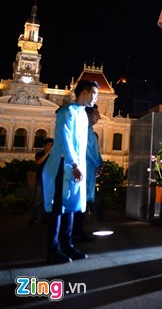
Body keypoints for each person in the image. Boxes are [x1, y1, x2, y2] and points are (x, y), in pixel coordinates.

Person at [42, 79, 99, 263]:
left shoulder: (82, 114)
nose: (95, 98)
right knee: (58, 207)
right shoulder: (66, 112)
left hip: (75, 168)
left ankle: (67, 244)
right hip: (62, 165)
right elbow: (65, 139)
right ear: (85, 92)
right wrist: (74, 165)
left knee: (72, 207)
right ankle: (53, 249)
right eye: (95, 93)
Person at [73, 105, 104, 243]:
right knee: (80, 202)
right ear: (89, 115)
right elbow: (87, 152)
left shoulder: (90, 132)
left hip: (89, 171)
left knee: (84, 201)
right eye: (96, 113)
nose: (99, 117)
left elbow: (96, 151)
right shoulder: (83, 131)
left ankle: (78, 231)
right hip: (84, 170)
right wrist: (98, 163)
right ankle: (76, 232)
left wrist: (100, 162)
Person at [28, 138, 53, 225]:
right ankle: (33, 218)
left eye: (51, 145)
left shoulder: (53, 156)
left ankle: (44, 218)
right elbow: (38, 162)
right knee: (36, 200)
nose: (50, 147)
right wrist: (47, 154)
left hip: (49, 181)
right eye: (48, 145)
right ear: (44, 146)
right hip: (40, 180)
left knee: (46, 200)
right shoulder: (40, 154)